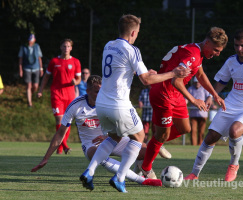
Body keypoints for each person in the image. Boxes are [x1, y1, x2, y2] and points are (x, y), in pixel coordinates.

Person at [79, 14, 190, 193]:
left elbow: (124, 71)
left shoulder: (109, 45)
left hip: (101, 104)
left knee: (113, 137)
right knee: (138, 137)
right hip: (119, 104)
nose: (137, 35)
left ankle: (89, 171)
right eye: (137, 32)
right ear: (132, 32)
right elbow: (146, 80)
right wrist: (173, 73)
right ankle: (120, 177)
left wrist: (147, 73)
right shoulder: (132, 49)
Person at [31, 75, 161, 189]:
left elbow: (122, 125)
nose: (100, 94)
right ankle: (141, 180)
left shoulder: (109, 102)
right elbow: (60, 133)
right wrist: (45, 159)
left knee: (145, 150)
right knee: (95, 153)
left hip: (113, 138)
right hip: (91, 145)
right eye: (96, 91)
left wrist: (107, 136)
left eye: (102, 90)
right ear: (87, 91)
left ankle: (138, 169)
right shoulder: (76, 105)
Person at [184, 29, 243, 182]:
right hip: (230, 105)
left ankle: (233, 165)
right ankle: (194, 174)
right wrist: (210, 96)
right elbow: (221, 82)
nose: (239, 49)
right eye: (236, 46)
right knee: (211, 137)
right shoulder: (231, 61)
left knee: (235, 131)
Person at [140, 27, 228, 179]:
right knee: (162, 134)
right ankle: (145, 168)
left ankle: (154, 144)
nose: (217, 54)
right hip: (163, 94)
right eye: (215, 50)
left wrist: (214, 94)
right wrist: (193, 100)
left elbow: (200, 74)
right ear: (207, 43)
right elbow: (176, 81)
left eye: (220, 51)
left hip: (175, 95)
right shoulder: (192, 54)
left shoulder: (197, 51)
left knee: (185, 127)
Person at [38, 39, 81, 155]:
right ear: (60, 47)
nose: (66, 48)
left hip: (70, 96)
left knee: (68, 122)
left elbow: (79, 79)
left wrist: (75, 82)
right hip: (57, 94)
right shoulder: (54, 61)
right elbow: (46, 77)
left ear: (71, 48)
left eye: (68, 46)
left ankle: (60, 147)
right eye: (64, 46)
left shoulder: (76, 62)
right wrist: (40, 90)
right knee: (59, 120)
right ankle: (65, 146)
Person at [138, 86, 172, 159]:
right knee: (145, 131)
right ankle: (145, 144)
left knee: (156, 131)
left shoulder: (157, 90)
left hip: (155, 115)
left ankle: (155, 144)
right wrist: (140, 103)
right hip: (146, 115)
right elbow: (140, 100)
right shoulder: (144, 91)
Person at [18, 34, 43, 107]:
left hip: (36, 68)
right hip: (27, 68)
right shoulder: (23, 47)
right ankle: (30, 103)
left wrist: (41, 68)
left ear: (34, 40)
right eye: (29, 40)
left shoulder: (37, 46)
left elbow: (39, 58)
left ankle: (30, 94)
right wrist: (20, 70)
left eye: (31, 40)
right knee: (28, 85)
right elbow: (20, 59)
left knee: (35, 86)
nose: (30, 42)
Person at [187, 76, 210, 146]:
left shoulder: (205, 89)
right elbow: (186, 99)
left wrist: (212, 105)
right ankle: (193, 145)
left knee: (201, 132)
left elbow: (209, 98)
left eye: (198, 82)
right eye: (196, 82)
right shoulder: (190, 89)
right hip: (193, 114)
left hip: (203, 114)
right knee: (193, 131)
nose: (197, 84)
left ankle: (200, 145)